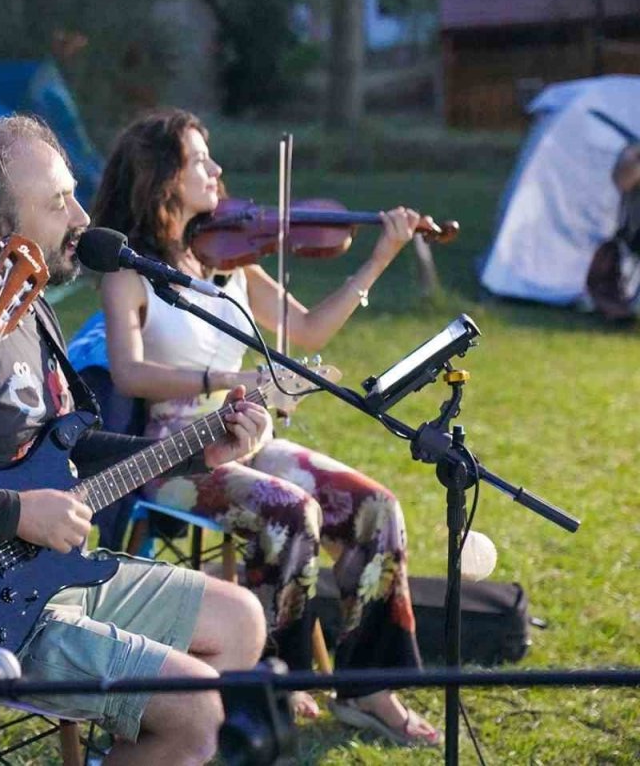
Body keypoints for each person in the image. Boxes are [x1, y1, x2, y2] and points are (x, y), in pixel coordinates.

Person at [0, 115, 274, 765]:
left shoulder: (29, 308)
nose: (80, 215)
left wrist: (202, 446)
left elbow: (67, 445)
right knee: (196, 707)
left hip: (46, 573)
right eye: (56, 201)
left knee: (241, 620)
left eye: (73, 193)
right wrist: (17, 512)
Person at [90, 108, 439, 747]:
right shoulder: (128, 271)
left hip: (250, 439)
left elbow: (304, 332)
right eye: (201, 161)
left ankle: (367, 689)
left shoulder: (233, 262)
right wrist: (225, 382)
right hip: (173, 455)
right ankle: (275, 680)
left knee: (376, 510)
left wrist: (378, 261)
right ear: (162, 178)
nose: (218, 171)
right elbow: (130, 371)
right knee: (289, 512)